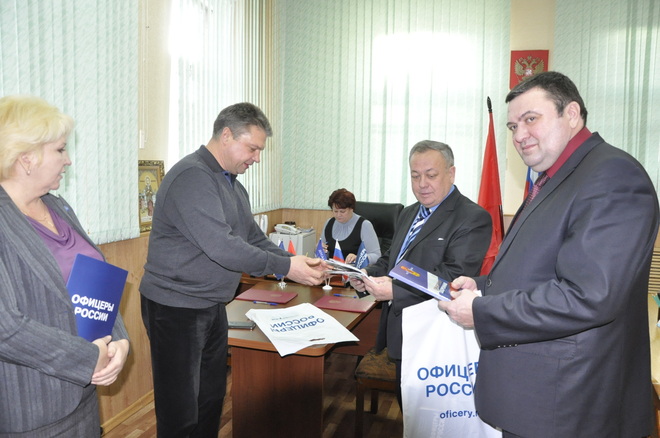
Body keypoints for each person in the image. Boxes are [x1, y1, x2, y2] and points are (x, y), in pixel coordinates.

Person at [439, 71, 659, 438]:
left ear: (571, 114)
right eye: (513, 126)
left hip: (570, 406)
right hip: (541, 399)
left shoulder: (613, 176)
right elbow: (542, 268)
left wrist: (481, 310)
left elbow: (587, 296)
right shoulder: (557, 175)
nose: (519, 135)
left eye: (530, 119)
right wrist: (482, 286)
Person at [140, 102, 326, 437]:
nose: (257, 158)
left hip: (211, 304)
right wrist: (286, 267)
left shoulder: (233, 185)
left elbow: (252, 237)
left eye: (260, 150)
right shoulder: (192, 177)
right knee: (180, 410)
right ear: (226, 135)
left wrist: (295, 264)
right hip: (176, 307)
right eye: (253, 148)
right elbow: (222, 247)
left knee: (210, 400)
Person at [0, 95, 130, 436]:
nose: (68, 160)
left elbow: (96, 281)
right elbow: (5, 328)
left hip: (82, 398)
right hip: (33, 410)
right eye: (60, 149)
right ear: (27, 158)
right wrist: (86, 358)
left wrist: (118, 341)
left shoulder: (58, 207)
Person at [351, 140, 492, 402]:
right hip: (400, 330)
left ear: (451, 173)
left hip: (436, 333)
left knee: (432, 414)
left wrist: (396, 290)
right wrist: (366, 274)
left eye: (431, 175)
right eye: (415, 176)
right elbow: (394, 259)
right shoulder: (408, 213)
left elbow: (453, 277)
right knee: (408, 409)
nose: (422, 184)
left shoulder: (473, 217)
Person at [321, 188, 381, 264]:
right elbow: (322, 251)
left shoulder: (364, 225)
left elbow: (376, 256)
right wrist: (320, 250)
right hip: (331, 269)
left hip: (354, 270)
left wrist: (358, 258)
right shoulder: (329, 223)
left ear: (351, 209)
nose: (338, 215)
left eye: (342, 211)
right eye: (335, 211)